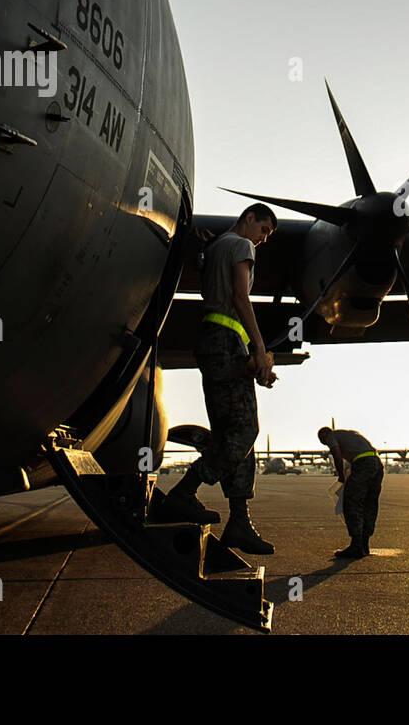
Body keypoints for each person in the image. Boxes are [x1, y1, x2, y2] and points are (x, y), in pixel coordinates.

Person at [161, 204, 279, 555]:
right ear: (248, 218)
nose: (264, 238)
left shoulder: (214, 247)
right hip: (228, 340)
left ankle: (239, 523)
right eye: (264, 229)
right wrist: (259, 349)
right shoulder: (241, 246)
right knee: (245, 431)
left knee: (234, 436)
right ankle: (185, 491)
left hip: (212, 342)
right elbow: (240, 297)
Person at [318, 426, 384, 559]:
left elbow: (336, 455)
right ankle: (364, 544)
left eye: (323, 442)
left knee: (351, 502)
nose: (326, 445)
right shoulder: (350, 434)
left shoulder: (332, 436)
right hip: (377, 463)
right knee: (369, 504)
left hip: (364, 464)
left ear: (324, 436)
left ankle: (356, 545)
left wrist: (341, 475)